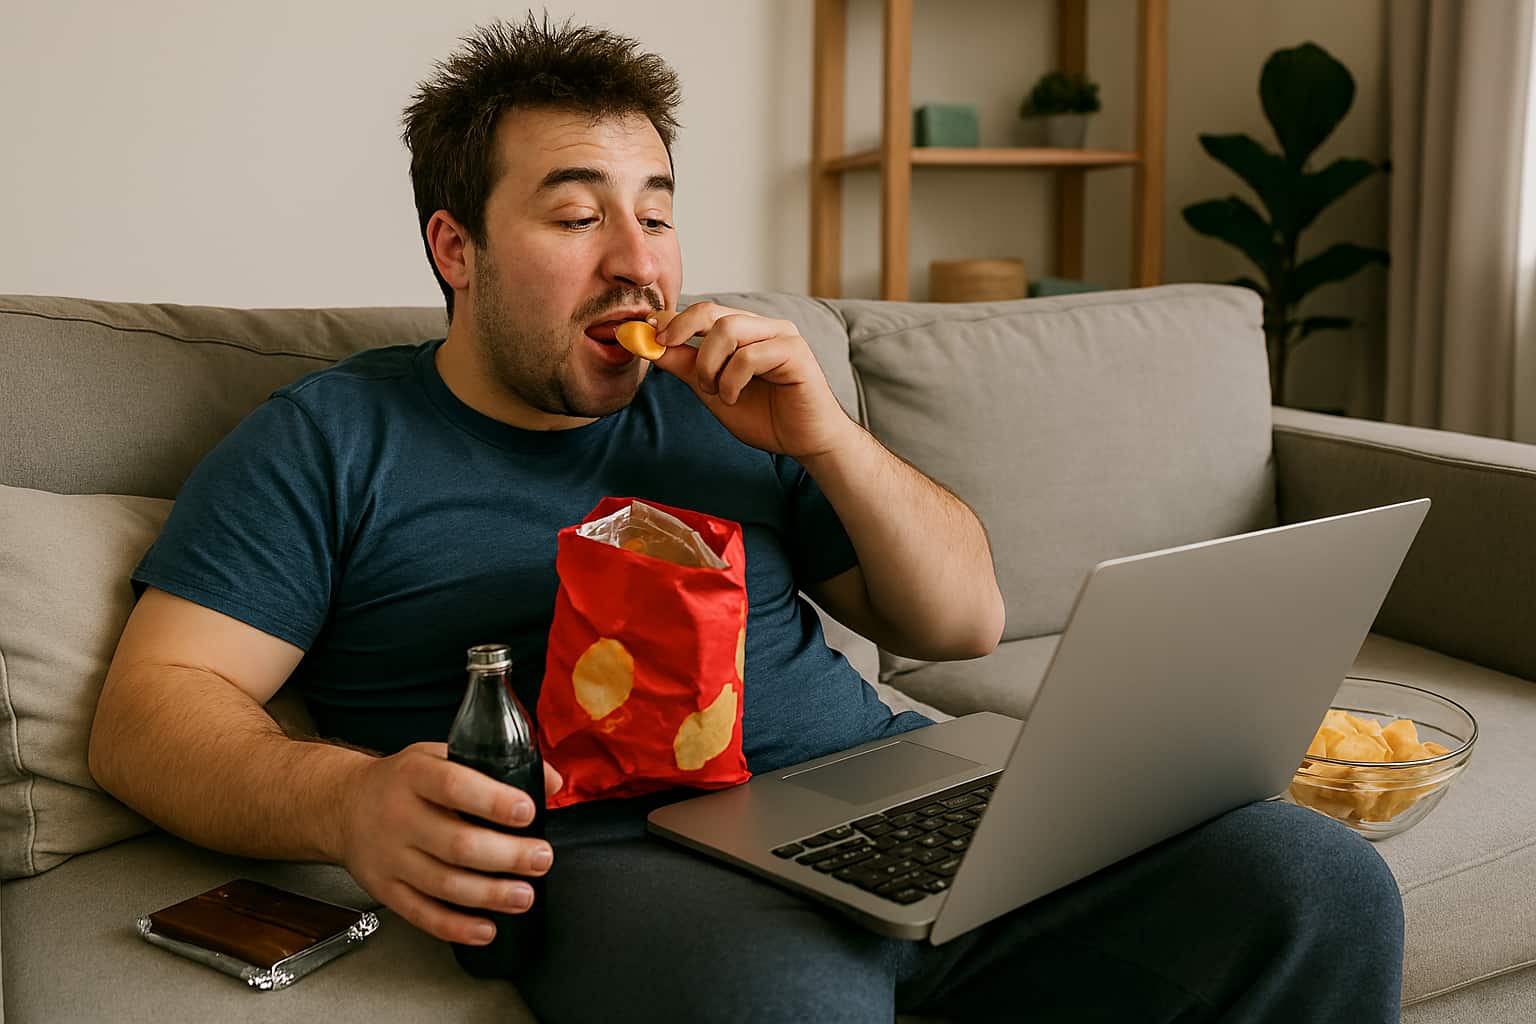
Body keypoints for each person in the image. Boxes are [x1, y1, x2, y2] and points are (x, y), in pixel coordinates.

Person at [89, 15, 1404, 1022]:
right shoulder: (331, 439)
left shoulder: (737, 403)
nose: (638, 255)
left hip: (886, 787)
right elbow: (155, 713)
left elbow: (964, 620)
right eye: (576, 211)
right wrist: (345, 802)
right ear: (456, 247)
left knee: (1312, 883)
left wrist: (826, 433)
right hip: (621, 854)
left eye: (657, 210)